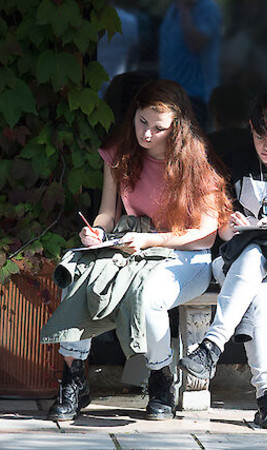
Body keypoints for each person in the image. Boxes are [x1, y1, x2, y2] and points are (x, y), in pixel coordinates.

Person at [42, 79, 231, 422]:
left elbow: (204, 236)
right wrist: (97, 231)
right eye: (142, 122)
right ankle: (73, 380)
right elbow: (109, 214)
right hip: (132, 248)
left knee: (149, 297)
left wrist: (150, 241)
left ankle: (161, 379)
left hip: (184, 257)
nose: (147, 134)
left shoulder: (197, 163)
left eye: (158, 128)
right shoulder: (120, 153)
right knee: (79, 277)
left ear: (178, 128)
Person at [179, 92, 267, 429]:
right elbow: (224, 234)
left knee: (259, 257)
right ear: (250, 129)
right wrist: (232, 227)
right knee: (257, 276)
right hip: (238, 265)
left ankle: (212, 346)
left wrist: (256, 229)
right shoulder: (235, 160)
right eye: (260, 137)